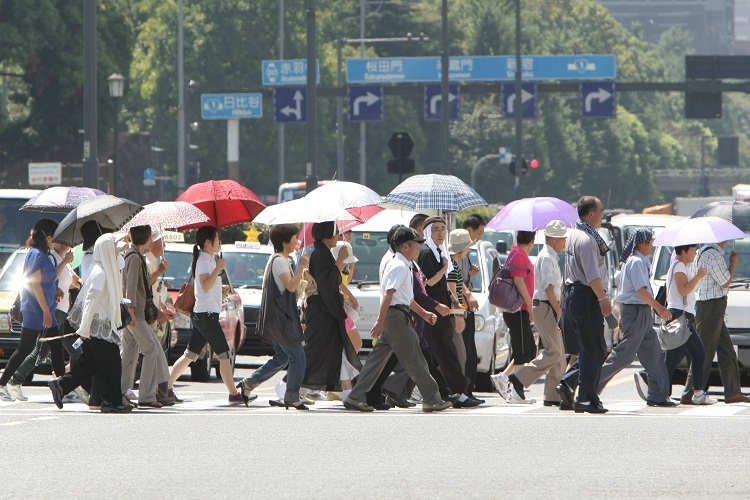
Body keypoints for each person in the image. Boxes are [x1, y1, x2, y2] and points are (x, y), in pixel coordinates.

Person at [343, 227, 452, 413]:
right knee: (416, 359)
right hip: (395, 317)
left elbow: (406, 299)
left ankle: (355, 396)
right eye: (415, 244)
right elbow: (389, 294)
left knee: (375, 362)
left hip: (395, 315)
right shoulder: (400, 266)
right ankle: (432, 399)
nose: (418, 248)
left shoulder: (404, 265)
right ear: (404, 246)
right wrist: (380, 321)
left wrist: (424, 313)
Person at [48, 233, 132, 413]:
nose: (115, 250)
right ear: (106, 250)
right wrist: (84, 329)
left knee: (91, 364)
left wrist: (122, 239)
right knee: (113, 362)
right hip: (96, 326)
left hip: (98, 325)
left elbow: (118, 256)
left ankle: (60, 385)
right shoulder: (100, 272)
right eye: (112, 247)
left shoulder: (103, 266)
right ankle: (111, 401)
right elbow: (90, 302)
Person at [167, 226, 243, 404]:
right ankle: (233, 394)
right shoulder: (204, 260)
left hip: (204, 314)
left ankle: (167, 386)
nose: (219, 242)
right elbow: (205, 284)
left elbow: (207, 287)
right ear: (208, 242)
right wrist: (218, 268)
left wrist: (220, 286)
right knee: (224, 354)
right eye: (217, 238)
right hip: (206, 316)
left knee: (190, 354)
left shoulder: (208, 259)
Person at [237, 224, 310, 409]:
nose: (297, 241)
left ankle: (249, 384)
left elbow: (290, 289)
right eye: (294, 238)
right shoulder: (278, 261)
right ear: (285, 243)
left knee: (282, 358)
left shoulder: (282, 260)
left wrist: (300, 273)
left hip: (277, 320)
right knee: (298, 358)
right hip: (281, 321)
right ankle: (292, 396)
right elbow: (291, 287)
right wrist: (301, 267)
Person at [600, 228, 675, 406]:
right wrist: (659, 308)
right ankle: (590, 385)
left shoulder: (635, 261)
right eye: (650, 242)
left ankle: (658, 395)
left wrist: (622, 316)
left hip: (638, 312)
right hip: (637, 311)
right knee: (624, 355)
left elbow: (623, 292)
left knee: (653, 353)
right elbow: (640, 290)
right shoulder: (636, 262)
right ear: (642, 243)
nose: (651, 245)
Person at [6, 240, 86, 403]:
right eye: (64, 242)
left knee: (72, 349)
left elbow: (73, 280)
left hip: (63, 313)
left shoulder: (66, 259)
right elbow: (49, 278)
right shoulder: (52, 258)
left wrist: (81, 282)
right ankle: (15, 380)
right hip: (53, 311)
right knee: (40, 351)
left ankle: (64, 385)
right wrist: (64, 262)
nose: (67, 245)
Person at [636, 244, 715, 405]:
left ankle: (695, 392)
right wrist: (699, 276)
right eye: (693, 250)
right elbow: (683, 290)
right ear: (685, 251)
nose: (695, 253)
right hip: (681, 317)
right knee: (676, 358)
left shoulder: (681, 266)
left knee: (693, 354)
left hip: (683, 316)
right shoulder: (679, 266)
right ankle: (655, 386)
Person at [502, 221, 569, 406]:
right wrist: (558, 310)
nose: (564, 242)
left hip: (547, 306)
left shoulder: (550, 256)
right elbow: (548, 288)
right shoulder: (547, 257)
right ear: (554, 239)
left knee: (558, 354)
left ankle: (552, 395)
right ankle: (519, 378)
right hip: (546, 306)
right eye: (562, 238)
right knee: (554, 352)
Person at [555, 196, 612, 414]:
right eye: (600, 210)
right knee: (593, 349)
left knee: (591, 348)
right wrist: (602, 298)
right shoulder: (587, 240)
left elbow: (567, 270)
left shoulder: (573, 235)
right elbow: (592, 276)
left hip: (574, 294)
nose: (602, 214)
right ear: (591, 214)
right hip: (587, 295)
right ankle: (586, 398)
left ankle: (572, 385)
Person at [681, 240, 750, 404]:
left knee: (727, 350)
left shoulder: (702, 252)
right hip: (711, 307)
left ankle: (733, 391)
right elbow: (725, 281)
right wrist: (733, 264)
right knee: (703, 351)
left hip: (712, 306)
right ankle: (690, 392)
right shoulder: (713, 254)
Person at [0, 219, 61, 401]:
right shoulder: (36, 254)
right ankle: (3, 383)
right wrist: (46, 311)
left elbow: (44, 280)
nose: (56, 241)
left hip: (45, 309)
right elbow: (34, 284)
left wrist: (55, 289)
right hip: (36, 311)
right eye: (54, 237)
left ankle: (62, 386)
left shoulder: (43, 254)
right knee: (25, 348)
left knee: (56, 348)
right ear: (48, 237)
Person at [417, 217, 475, 407]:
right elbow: (428, 283)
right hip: (432, 306)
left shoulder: (439, 252)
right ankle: (457, 391)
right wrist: (443, 268)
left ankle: (449, 391)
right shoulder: (426, 253)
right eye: (435, 229)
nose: (440, 233)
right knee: (443, 351)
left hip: (443, 305)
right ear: (427, 233)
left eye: (443, 229)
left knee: (437, 352)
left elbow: (444, 285)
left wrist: (455, 301)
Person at [301, 221, 362, 399]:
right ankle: (289, 385)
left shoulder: (323, 253)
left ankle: (346, 392)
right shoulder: (320, 254)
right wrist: (340, 261)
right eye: (336, 233)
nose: (338, 236)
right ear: (327, 235)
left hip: (327, 310)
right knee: (315, 351)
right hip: (322, 311)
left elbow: (332, 281)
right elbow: (327, 283)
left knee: (334, 351)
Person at [120, 225, 175, 408]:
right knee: (151, 349)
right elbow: (130, 288)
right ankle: (147, 395)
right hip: (135, 314)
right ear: (146, 239)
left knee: (129, 353)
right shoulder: (134, 258)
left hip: (134, 313)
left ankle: (122, 391)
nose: (152, 242)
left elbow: (140, 285)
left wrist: (159, 270)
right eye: (151, 238)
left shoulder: (135, 256)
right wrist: (132, 313)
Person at [490, 230, 536, 401]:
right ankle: (516, 390)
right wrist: (530, 306)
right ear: (532, 240)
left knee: (528, 350)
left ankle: (503, 377)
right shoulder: (518, 255)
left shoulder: (516, 253)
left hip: (518, 310)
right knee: (524, 353)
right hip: (518, 309)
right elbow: (519, 281)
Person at [447, 228, 484, 405]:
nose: (469, 250)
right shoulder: (450, 265)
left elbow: (460, 284)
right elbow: (452, 291)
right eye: (467, 247)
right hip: (457, 313)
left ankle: (465, 391)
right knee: (460, 354)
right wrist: (459, 312)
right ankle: (460, 392)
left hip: (462, 311)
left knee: (465, 352)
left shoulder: (455, 263)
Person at [457, 214, 485, 400]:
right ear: (469, 231)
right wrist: (467, 293)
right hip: (460, 307)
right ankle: (463, 390)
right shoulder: (456, 252)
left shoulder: (466, 252)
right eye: (479, 233)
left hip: (466, 306)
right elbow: (455, 279)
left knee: (469, 350)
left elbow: (462, 277)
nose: (480, 237)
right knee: (464, 350)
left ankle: (468, 390)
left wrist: (470, 274)